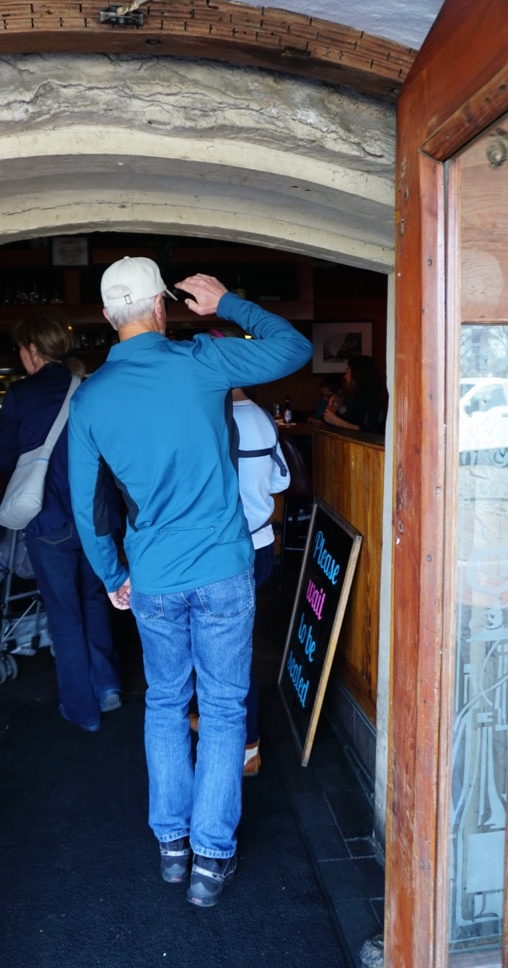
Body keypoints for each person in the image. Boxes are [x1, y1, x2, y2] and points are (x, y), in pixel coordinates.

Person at [68, 257, 312, 907]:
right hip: (224, 568)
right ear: (160, 307)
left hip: (153, 576)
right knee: (225, 708)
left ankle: (172, 848)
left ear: (107, 317)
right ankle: (211, 860)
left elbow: (88, 506)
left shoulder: (89, 398)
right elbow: (294, 348)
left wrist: (112, 574)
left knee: (165, 703)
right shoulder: (202, 361)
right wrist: (228, 304)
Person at [0, 315, 121, 733]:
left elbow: (2, 459)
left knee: (63, 613)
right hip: (95, 516)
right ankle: (107, 685)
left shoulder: (20, 394)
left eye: (20, 348)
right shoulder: (88, 387)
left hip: (49, 519)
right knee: (94, 599)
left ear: (32, 349)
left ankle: (82, 709)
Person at [188, 327, 290, 778]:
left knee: (227, 650)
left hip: (226, 551)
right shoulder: (263, 418)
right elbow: (281, 482)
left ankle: (247, 745)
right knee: (231, 644)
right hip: (261, 546)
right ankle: (226, 727)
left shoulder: (211, 419)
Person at [322, 354, 387, 434]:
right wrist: (341, 407)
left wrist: (336, 421)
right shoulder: (361, 394)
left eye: (348, 371)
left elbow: (370, 429)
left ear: (357, 374)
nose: (345, 376)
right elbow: (354, 420)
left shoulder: (370, 397)